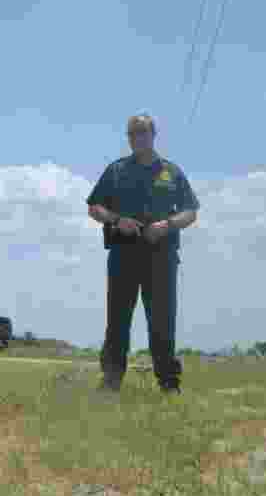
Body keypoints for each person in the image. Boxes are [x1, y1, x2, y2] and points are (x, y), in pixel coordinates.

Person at [85, 113, 200, 395]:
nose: (138, 138)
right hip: (124, 254)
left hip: (161, 256)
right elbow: (94, 207)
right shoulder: (116, 170)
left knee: (162, 320)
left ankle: (169, 384)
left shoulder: (171, 172)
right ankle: (111, 379)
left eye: (143, 132)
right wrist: (116, 220)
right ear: (128, 138)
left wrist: (168, 225)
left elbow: (191, 212)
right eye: (133, 133)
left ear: (153, 135)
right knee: (118, 320)